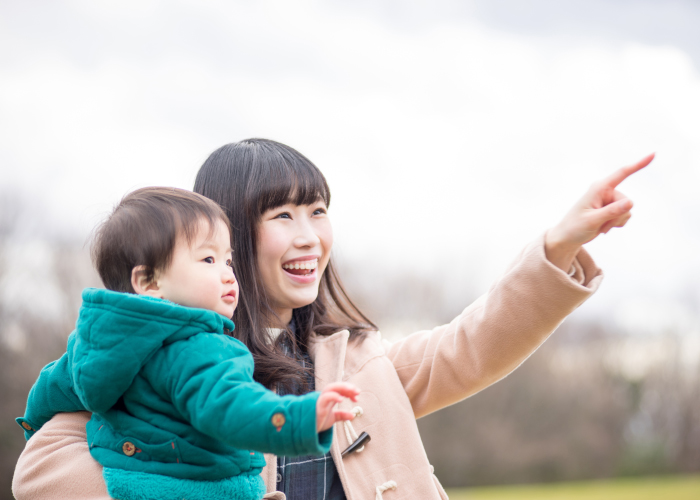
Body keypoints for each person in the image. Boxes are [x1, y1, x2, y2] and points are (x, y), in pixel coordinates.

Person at [12, 140, 653, 500]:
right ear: (229, 231)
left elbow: (474, 345)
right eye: (283, 215)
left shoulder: (357, 363)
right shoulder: (155, 366)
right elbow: (40, 471)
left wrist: (559, 245)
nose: (310, 236)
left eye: (318, 211)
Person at [15, 187, 359, 500]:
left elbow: (50, 391)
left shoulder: (93, 342)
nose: (228, 274)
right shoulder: (199, 348)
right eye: (208, 260)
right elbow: (232, 408)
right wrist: (301, 420)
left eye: (228, 260)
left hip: (127, 483)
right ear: (148, 281)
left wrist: (32, 425)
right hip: (207, 489)